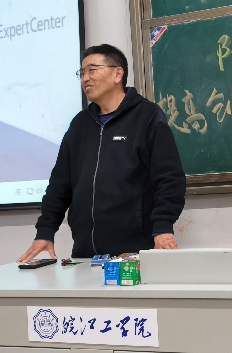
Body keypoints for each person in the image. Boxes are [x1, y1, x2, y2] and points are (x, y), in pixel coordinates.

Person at [18, 44, 186, 262]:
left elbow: (169, 178)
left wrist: (163, 227)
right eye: (82, 73)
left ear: (118, 74)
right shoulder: (79, 125)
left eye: (92, 70)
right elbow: (60, 184)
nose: (85, 79)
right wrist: (45, 231)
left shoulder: (147, 117)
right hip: (85, 254)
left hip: (134, 252)